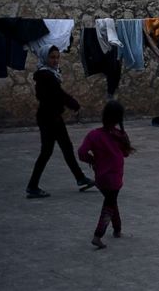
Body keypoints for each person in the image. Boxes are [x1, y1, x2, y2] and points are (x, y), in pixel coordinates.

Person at [25, 46, 94, 198]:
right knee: (48, 151)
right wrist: (73, 104)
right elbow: (58, 95)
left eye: (57, 57)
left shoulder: (49, 74)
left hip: (52, 116)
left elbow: (56, 95)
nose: (55, 60)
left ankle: (80, 178)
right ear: (45, 58)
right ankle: (32, 185)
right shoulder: (46, 76)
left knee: (65, 148)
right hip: (49, 118)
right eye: (52, 57)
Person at [78, 100, 134, 249]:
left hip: (100, 178)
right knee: (109, 204)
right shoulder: (120, 135)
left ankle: (117, 229)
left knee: (111, 201)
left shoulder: (93, 134)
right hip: (114, 177)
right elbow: (126, 153)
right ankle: (98, 235)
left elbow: (81, 153)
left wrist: (93, 160)